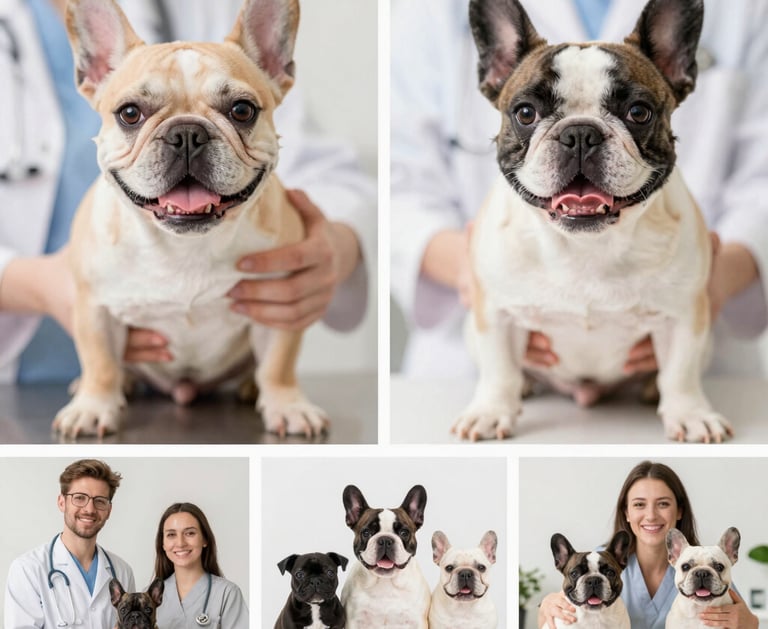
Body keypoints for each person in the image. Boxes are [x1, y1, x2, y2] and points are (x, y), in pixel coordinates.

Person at [0, 0, 375, 383]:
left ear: (274, 67)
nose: (186, 142)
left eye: (239, 111)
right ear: (93, 72)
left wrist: (337, 245)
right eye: (132, 114)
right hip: (27, 376)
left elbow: (321, 170)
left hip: (229, 377)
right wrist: (34, 283)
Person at [390, 0, 768, 378]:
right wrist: (481, 271)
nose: (580, 143)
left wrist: (707, 280)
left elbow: (761, 183)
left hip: (680, 365)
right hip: (475, 371)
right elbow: (401, 184)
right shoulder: (432, 10)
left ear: (675, 69)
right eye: (527, 114)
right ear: (496, 71)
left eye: (636, 113)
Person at [537, 461, 758, 629]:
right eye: (639, 504)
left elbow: (746, 620)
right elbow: (555, 617)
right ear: (627, 512)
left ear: (679, 510)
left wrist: (749, 622)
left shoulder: (706, 562)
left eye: (663, 504)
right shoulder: (601, 561)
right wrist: (546, 605)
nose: (651, 515)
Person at [4, 459, 134, 628]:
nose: (89, 509)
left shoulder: (122, 572)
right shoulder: (27, 569)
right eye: (79, 498)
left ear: (109, 511)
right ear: (61, 502)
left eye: (100, 501)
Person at [153, 502, 248, 628]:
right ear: (163, 544)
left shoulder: (227, 593)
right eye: (171, 535)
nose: (180, 543)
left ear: (205, 539)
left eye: (190, 533)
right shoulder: (148, 598)